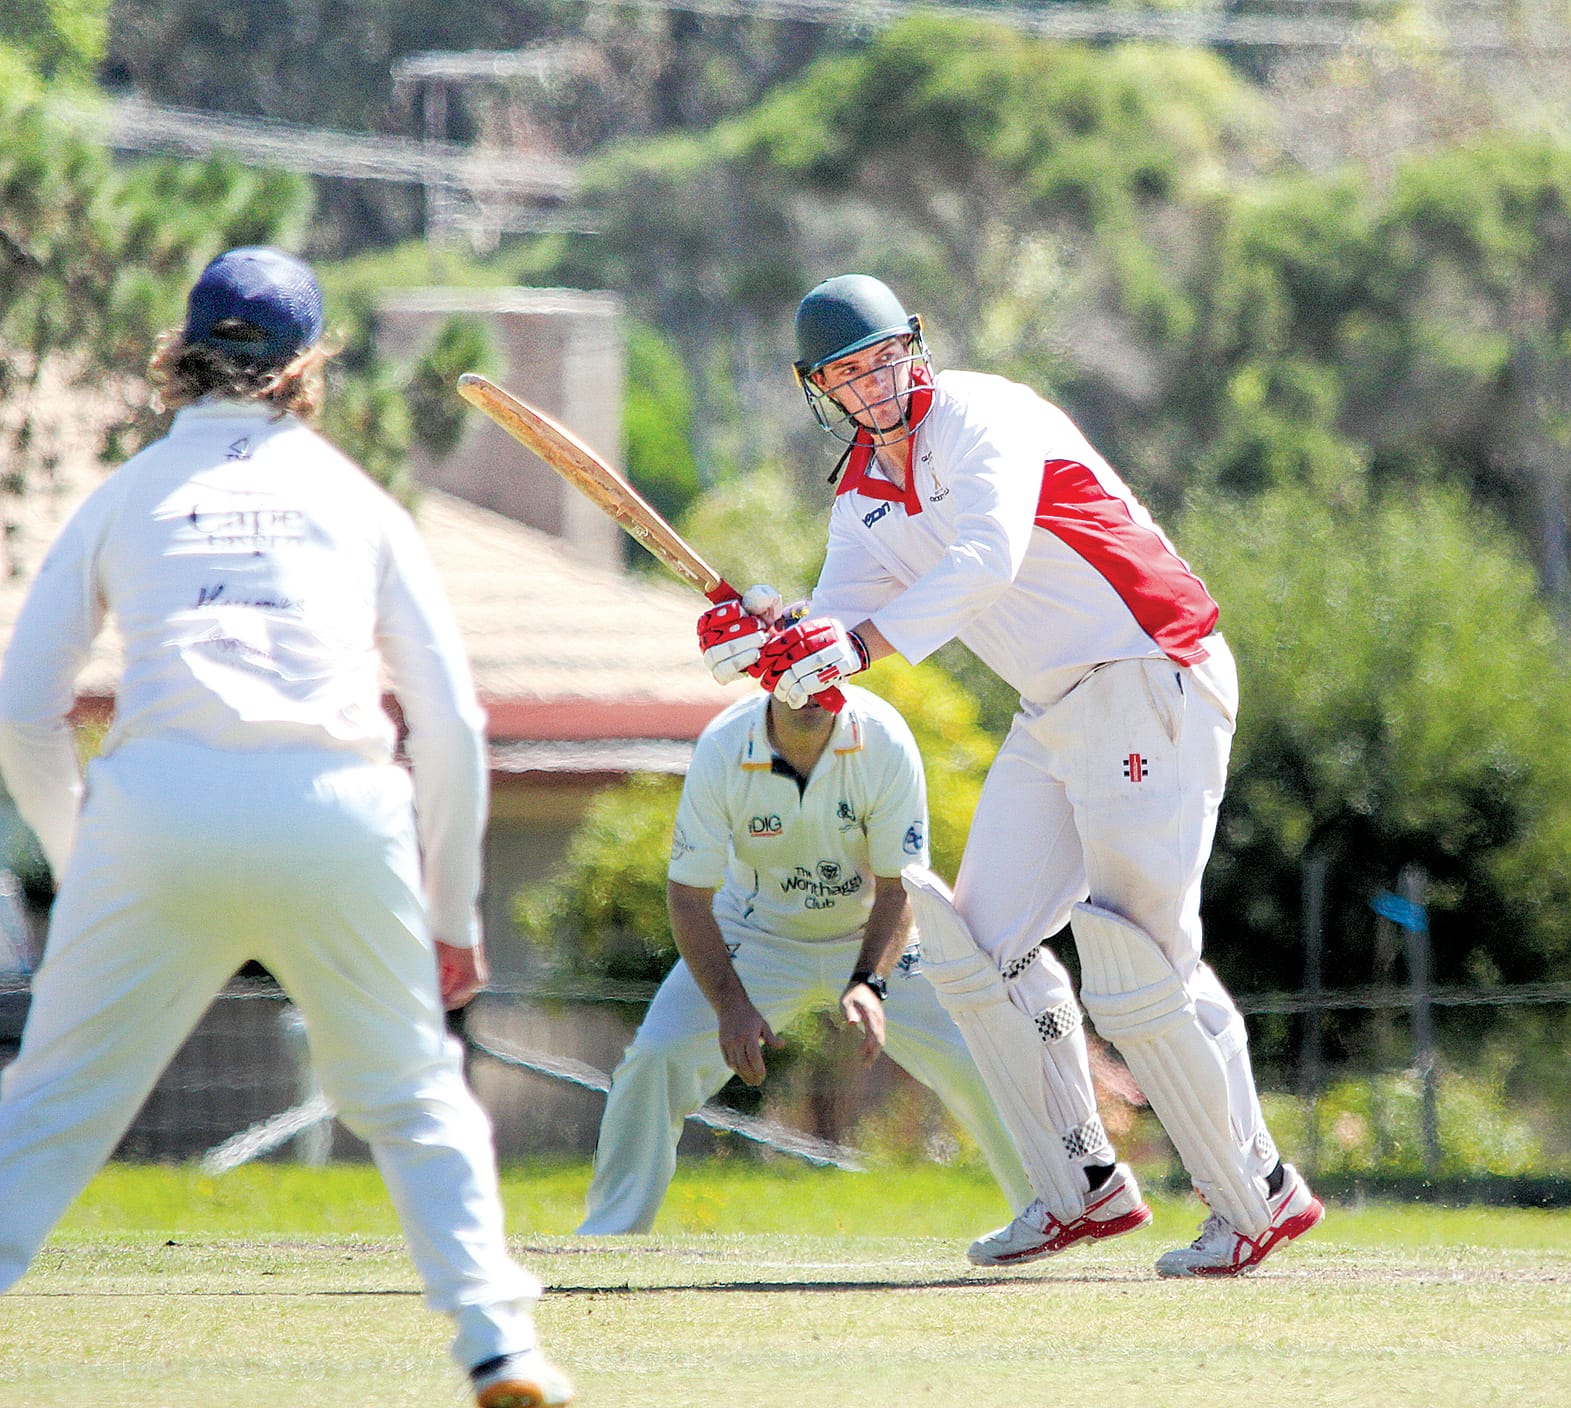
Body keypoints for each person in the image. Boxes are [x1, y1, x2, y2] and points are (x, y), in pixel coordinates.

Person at [0, 247, 572, 1407]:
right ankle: (496, 1345)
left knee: (51, 1108)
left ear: (181, 353)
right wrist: (451, 909)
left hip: (154, 809)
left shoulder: (127, 496)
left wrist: (86, 864)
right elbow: (452, 723)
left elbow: (23, 709)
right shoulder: (353, 499)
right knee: (415, 1098)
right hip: (335, 810)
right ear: (308, 367)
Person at [699, 273, 1324, 1277]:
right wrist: (776, 640)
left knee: (1136, 957)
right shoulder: (861, 498)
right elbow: (835, 626)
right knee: (971, 948)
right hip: (1055, 707)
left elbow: (985, 557)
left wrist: (845, 644)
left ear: (912, 347)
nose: (871, 385)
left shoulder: (988, 417)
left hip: (1147, 669)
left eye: (880, 359)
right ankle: (1078, 1182)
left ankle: (1255, 1191)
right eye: (846, 375)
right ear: (820, 389)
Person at [578, 680, 1033, 1234]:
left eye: (825, 676)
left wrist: (870, 982)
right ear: (769, 681)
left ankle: (1052, 1213)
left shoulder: (884, 739)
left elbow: (899, 888)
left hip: (874, 935)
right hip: (757, 936)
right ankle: (611, 1233)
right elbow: (688, 895)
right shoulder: (724, 744)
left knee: (982, 1057)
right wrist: (731, 1007)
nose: (812, 692)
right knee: (655, 1058)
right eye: (794, 677)